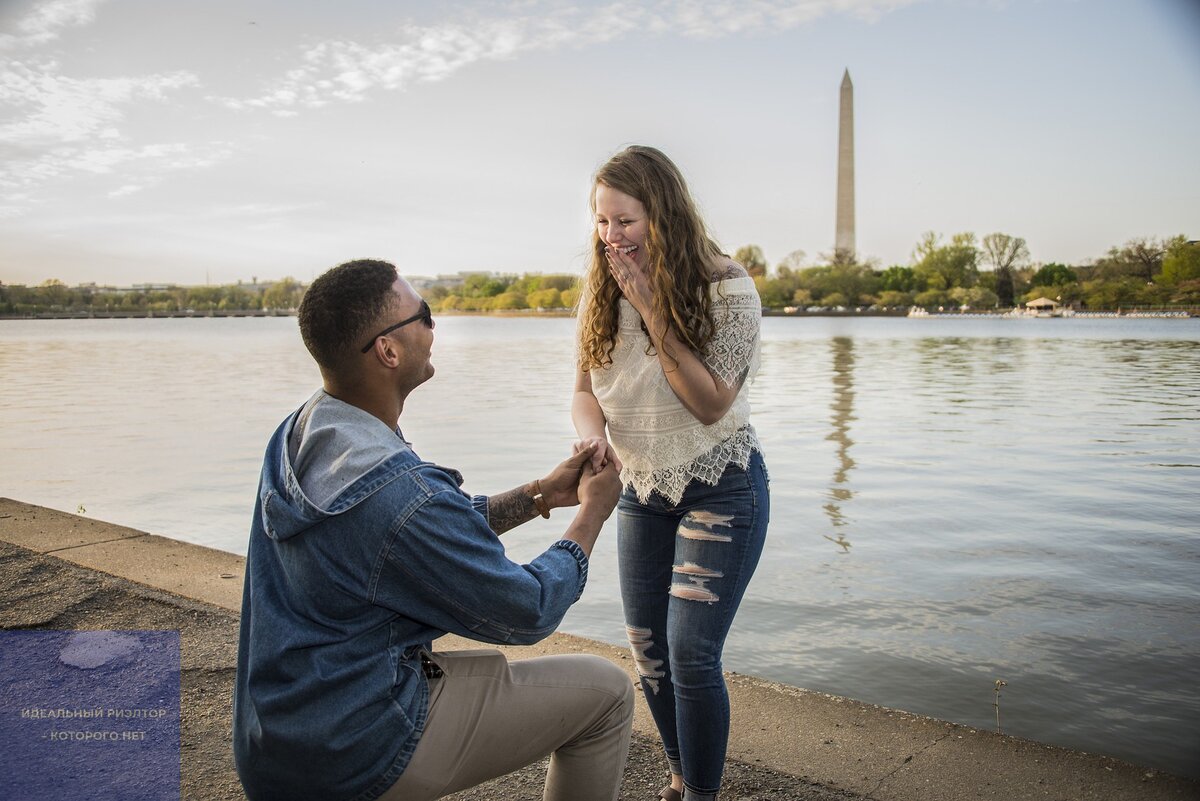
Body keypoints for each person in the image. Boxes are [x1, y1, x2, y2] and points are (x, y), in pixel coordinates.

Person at [233, 259, 633, 801]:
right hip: (351, 753)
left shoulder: (302, 432)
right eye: (423, 315)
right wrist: (591, 515)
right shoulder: (396, 493)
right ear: (388, 352)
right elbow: (527, 608)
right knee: (606, 692)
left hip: (278, 739)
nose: (434, 325)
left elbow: (406, 540)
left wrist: (540, 494)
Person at [572, 146, 770, 801]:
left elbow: (710, 401)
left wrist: (655, 309)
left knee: (689, 652)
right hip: (643, 491)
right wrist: (591, 437)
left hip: (722, 487)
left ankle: (703, 794)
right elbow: (583, 390)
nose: (611, 237)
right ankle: (684, 778)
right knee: (648, 651)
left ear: (664, 213)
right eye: (602, 222)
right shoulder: (599, 292)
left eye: (624, 221)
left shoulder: (727, 286)